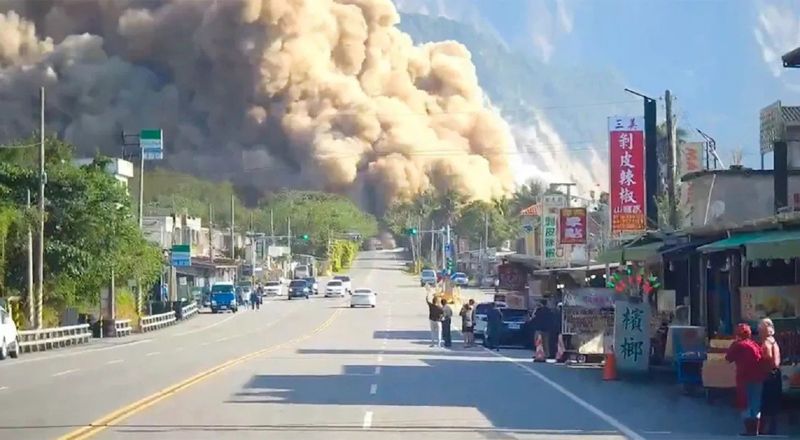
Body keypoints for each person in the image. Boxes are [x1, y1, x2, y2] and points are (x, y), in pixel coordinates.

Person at [726, 323, 766, 436]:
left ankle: (749, 430)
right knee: (755, 404)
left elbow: (728, 358)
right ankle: (756, 430)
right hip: (758, 377)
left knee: (745, 404)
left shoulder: (738, 345)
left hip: (744, 378)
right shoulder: (754, 344)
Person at [759, 318, 782, 435]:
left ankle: (766, 429)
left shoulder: (766, 343)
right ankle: (773, 427)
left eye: (760, 329)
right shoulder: (774, 341)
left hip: (769, 374)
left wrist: (759, 358)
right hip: (776, 373)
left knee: (767, 402)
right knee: (774, 402)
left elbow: (767, 356)